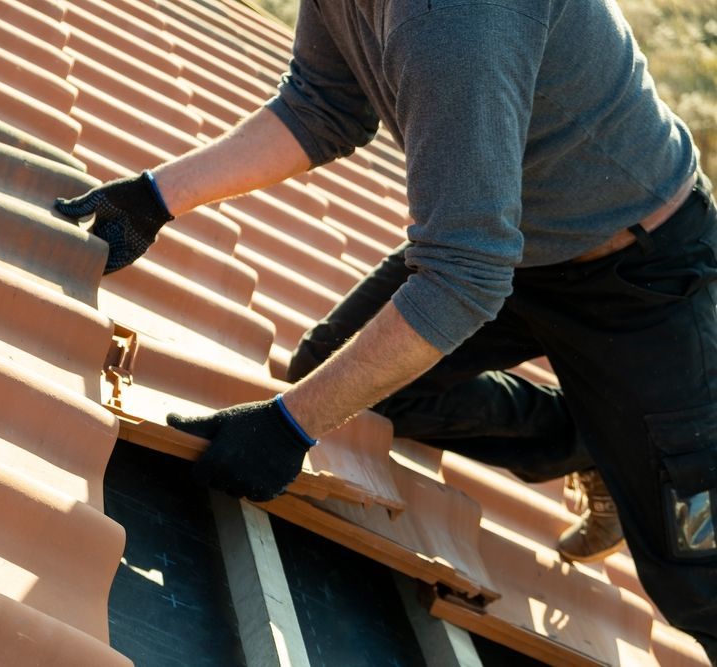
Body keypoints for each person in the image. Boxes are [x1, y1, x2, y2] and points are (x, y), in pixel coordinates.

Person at [55, 0, 716, 658]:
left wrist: (289, 427)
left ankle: (630, 442)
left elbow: (462, 277)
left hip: (642, 281)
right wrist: (156, 197)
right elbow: (322, 106)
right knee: (355, 375)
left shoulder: (452, 20)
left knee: (695, 582)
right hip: (510, 241)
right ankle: (592, 439)